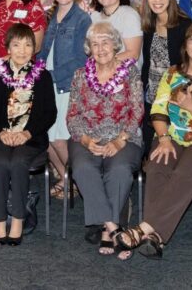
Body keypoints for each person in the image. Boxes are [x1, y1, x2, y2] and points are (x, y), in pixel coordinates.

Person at [114, 22, 192, 259]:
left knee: (185, 171)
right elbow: (158, 109)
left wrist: (191, 105)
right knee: (158, 164)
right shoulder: (172, 74)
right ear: (185, 44)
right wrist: (164, 137)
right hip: (173, 137)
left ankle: (143, 229)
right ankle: (154, 238)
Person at [65, 22, 143, 259]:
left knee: (119, 169)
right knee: (83, 168)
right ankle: (114, 228)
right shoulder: (80, 75)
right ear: (88, 48)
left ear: (115, 44)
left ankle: (107, 231)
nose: (100, 49)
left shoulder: (130, 72)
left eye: (105, 42)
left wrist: (120, 140)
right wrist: (87, 141)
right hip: (87, 136)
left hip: (124, 136)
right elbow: (72, 115)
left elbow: (137, 110)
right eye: (95, 44)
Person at [0, 24, 56, 246]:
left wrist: (27, 133)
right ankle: (0, 220)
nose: (22, 50)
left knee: (19, 162)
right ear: (8, 48)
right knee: (1, 162)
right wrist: (1, 132)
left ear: (34, 48)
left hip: (30, 138)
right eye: (16, 45)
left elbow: (49, 114)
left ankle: (19, 218)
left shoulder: (43, 76)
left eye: (27, 45)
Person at [38, 0, 92, 200]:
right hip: (47, 83)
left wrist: (51, 75)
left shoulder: (81, 18)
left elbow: (82, 59)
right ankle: (66, 178)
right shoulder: (52, 16)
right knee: (45, 137)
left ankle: (84, 181)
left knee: (60, 138)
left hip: (65, 84)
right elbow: (44, 51)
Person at [139, 0, 192, 151]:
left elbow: (189, 66)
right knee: (150, 151)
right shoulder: (148, 25)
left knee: (173, 149)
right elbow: (147, 63)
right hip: (151, 97)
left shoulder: (184, 25)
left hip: (175, 99)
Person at [90, 0, 143, 66]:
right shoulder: (94, 17)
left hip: (125, 75)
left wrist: (103, 62)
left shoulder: (129, 16)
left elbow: (133, 54)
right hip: (100, 75)